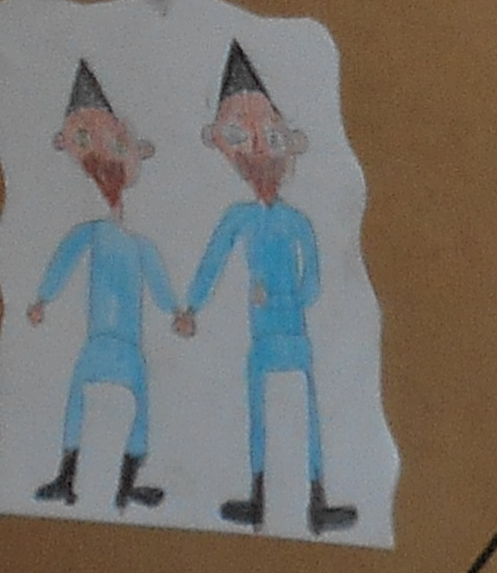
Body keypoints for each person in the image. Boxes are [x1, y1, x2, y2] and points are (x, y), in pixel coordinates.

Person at [176, 42, 355, 535]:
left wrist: (282, 299)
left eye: (269, 136)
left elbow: (313, 280)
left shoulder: (298, 222)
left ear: (288, 142)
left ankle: (317, 500)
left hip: (292, 333)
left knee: (307, 411)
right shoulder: (239, 218)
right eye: (241, 137)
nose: (258, 150)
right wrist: (191, 306)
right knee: (258, 409)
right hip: (261, 338)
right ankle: (258, 497)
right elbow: (213, 261)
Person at [23, 58, 177, 515]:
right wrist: (42, 298)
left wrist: (177, 311)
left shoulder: (139, 244)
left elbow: (159, 284)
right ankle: (68, 477)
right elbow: (64, 261)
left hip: (126, 345)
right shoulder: (92, 233)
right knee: (81, 398)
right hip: (102, 342)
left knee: (138, 403)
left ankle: (123, 485)